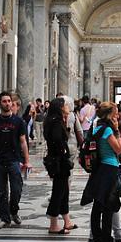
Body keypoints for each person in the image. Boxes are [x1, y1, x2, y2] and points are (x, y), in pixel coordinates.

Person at [81, 102, 121, 242]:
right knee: (109, 206)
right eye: (115, 113)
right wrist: (117, 132)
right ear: (109, 114)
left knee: (98, 206)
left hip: (100, 168)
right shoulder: (108, 129)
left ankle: (97, 240)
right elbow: (118, 149)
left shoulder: (97, 127)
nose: (117, 116)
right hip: (109, 168)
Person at [0, 91, 31, 228]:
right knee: (1, 191)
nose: (7, 103)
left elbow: (23, 142)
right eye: (4, 101)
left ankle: (14, 210)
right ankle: (4, 218)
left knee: (16, 189)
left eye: (9, 101)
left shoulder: (18, 121)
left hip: (14, 160)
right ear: (0, 104)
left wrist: (27, 160)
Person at [43, 97, 75, 234]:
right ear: (60, 107)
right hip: (59, 161)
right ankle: (53, 224)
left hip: (58, 160)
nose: (67, 106)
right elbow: (57, 140)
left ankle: (67, 220)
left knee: (64, 190)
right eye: (65, 105)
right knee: (58, 191)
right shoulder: (56, 122)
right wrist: (63, 151)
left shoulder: (55, 120)